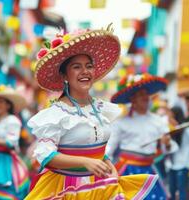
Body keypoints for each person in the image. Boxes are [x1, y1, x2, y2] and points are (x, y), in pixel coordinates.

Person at [26, 26, 158, 199]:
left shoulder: (101, 109)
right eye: (76, 67)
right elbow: (45, 155)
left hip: (101, 185)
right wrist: (85, 162)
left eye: (89, 66)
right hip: (66, 188)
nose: (85, 71)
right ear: (65, 75)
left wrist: (108, 163)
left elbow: (97, 146)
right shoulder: (56, 114)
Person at [107, 73, 178, 200]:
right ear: (132, 99)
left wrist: (166, 143)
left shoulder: (159, 121)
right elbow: (109, 149)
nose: (145, 97)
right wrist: (105, 169)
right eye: (140, 95)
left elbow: (170, 148)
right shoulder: (121, 122)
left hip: (149, 168)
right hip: (127, 170)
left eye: (146, 94)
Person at [166, 106, 189, 200]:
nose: (169, 119)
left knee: (182, 189)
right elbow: (167, 149)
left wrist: (187, 156)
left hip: (184, 164)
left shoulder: (187, 130)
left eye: (171, 117)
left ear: (176, 117)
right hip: (171, 165)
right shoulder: (169, 130)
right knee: (171, 190)